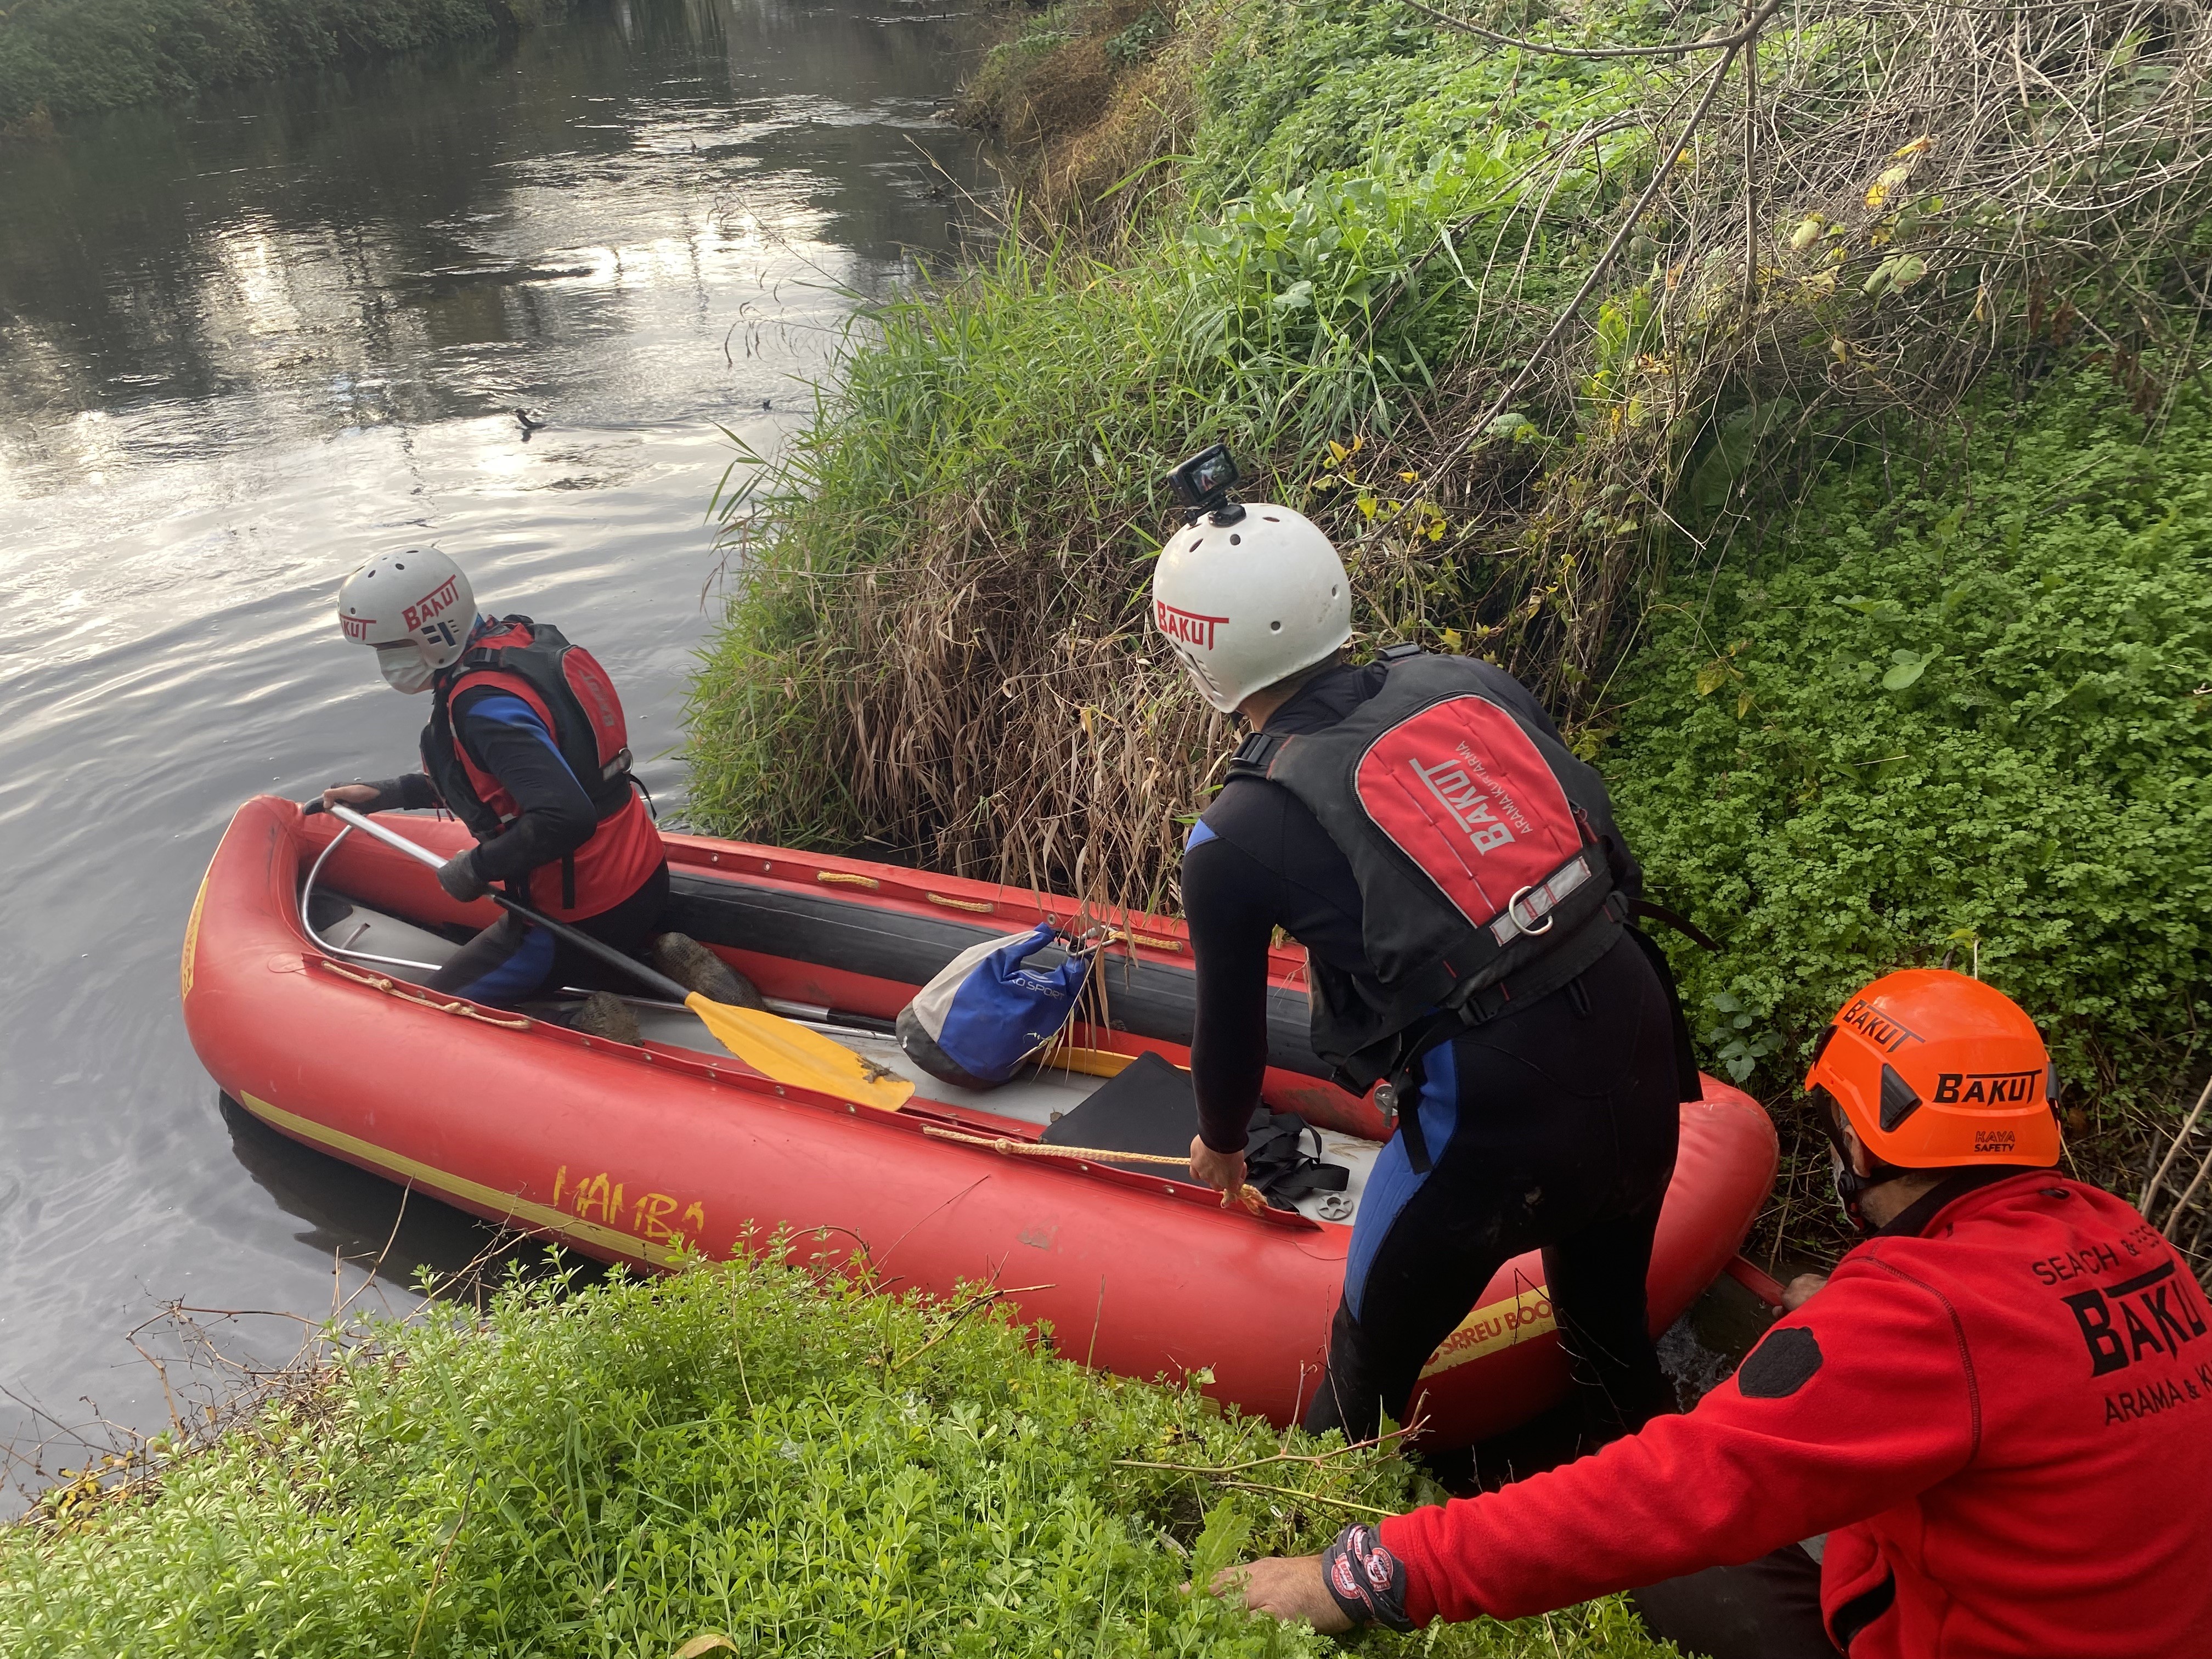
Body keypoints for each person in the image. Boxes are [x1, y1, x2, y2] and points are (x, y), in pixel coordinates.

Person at [1216, 969, 2212, 1658]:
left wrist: (1367, 1572)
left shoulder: (1920, 1318)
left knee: (1674, 1567)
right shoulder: (2128, 1241)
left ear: (1857, 1147)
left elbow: (1659, 1492)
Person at [1152, 492, 1697, 1448]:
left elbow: (1228, 1039)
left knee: (1359, 1387)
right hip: (1638, 1028)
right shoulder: (1466, 679)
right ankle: (1662, 1535)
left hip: (1493, 1122)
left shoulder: (1230, 837)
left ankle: (1301, 1570)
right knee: (1612, 1345)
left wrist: (1224, 1145)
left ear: (1201, 655)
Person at [317, 548, 750, 1037]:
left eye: (389, 648)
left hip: (577, 915)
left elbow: (563, 817)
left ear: (431, 633)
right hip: (644, 878)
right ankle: (662, 956)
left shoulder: (483, 709)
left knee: (441, 1014)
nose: (384, 663)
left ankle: (584, 1023)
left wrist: (475, 868)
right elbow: (505, 781)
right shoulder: (522, 646)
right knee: (588, 943)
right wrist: (387, 793)